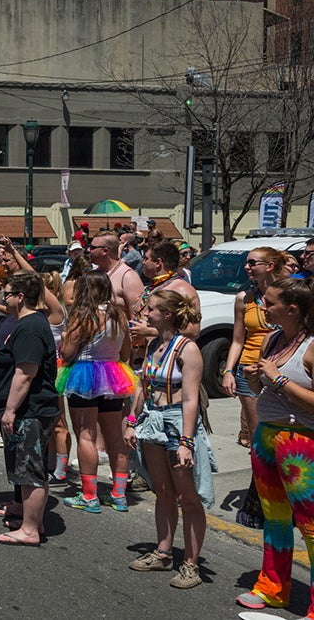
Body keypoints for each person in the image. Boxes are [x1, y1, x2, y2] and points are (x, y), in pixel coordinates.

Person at [124, 290, 211, 590]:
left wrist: (186, 442)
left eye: (151, 309)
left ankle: (191, 564)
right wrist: (133, 421)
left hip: (177, 425)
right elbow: (141, 386)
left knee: (188, 497)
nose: (146, 314)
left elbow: (190, 399)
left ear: (168, 315)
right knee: (162, 491)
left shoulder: (187, 349)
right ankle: (163, 552)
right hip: (153, 421)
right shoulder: (153, 345)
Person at [236, 278, 314, 611]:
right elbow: (261, 386)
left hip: (300, 442)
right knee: (275, 519)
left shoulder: (310, 346)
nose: (262, 308)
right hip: (267, 437)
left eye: (269, 303)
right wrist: (256, 376)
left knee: (311, 526)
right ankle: (272, 587)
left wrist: (278, 377)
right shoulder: (273, 338)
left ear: (292, 309)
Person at [0, 270, 59, 546]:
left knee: (30, 471)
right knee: (30, 469)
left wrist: (11, 410)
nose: (4, 297)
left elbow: (25, 373)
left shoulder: (29, 327)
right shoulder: (26, 324)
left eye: (8, 293)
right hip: (30, 409)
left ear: (21, 297)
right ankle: (32, 520)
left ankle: (29, 530)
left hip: (31, 410)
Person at [57, 270, 138, 513]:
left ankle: (89, 495)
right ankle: (119, 494)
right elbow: (126, 352)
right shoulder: (119, 315)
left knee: (86, 434)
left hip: (83, 374)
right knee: (114, 436)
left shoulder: (83, 315)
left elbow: (68, 352)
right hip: (113, 376)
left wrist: (64, 339)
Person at [222, 247, 288, 449]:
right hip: (249, 369)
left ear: (270, 266)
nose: (247, 267)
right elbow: (237, 340)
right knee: (257, 432)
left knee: (284, 429)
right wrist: (228, 371)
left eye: (252, 263)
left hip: (282, 368)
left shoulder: (290, 295)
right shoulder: (245, 298)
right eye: (246, 262)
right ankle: (259, 478)